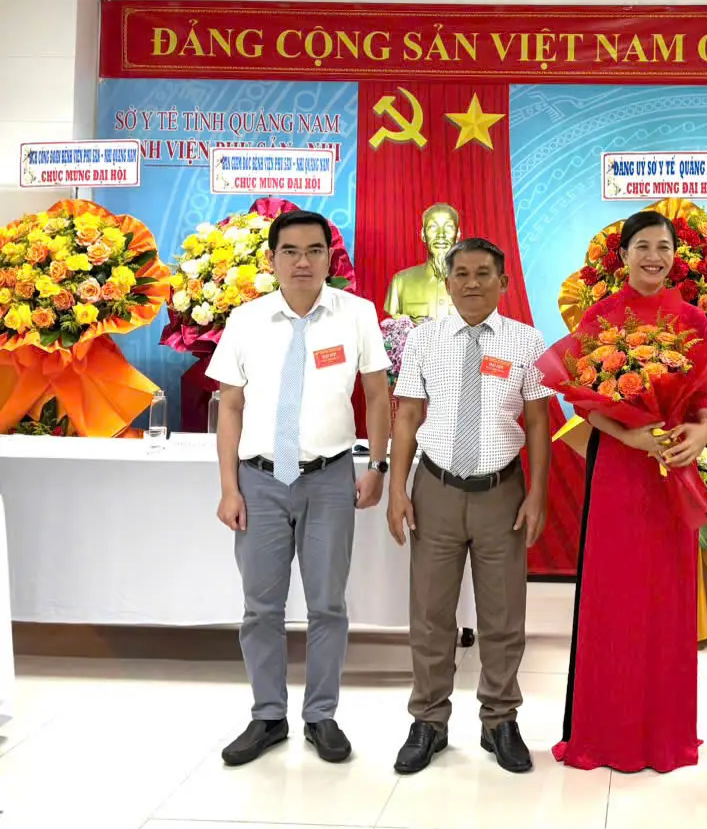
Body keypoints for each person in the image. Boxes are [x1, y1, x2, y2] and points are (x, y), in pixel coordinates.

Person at [210, 209, 392, 766]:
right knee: (260, 608)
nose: (303, 261)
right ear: (272, 259)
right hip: (259, 481)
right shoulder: (245, 319)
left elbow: (378, 395)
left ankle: (321, 716)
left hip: (330, 479)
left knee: (328, 605)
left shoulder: (357, 314)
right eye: (290, 251)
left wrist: (377, 466)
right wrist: (229, 488)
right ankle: (268, 715)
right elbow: (230, 406)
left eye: (314, 250)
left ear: (330, 259)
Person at [551, 210, 707, 773]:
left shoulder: (693, 319)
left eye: (664, 247)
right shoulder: (600, 316)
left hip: (672, 464)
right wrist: (631, 434)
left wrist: (700, 431)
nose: (654, 256)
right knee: (615, 593)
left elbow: (705, 396)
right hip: (620, 470)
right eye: (643, 246)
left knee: (667, 595)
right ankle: (606, 733)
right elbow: (583, 399)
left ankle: (664, 735)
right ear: (624, 255)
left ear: (676, 254)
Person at [386, 237, 553, 775]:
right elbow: (407, 416)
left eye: (484, 273)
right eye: (462, 273)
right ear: (448, 280)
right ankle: (428, 721)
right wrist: (397, 489)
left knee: (503, 616)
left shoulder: (527, 341)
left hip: (502, 493)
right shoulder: (424, 339)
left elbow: (538, 423)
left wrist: (537, 493)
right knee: (430, 615)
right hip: (434, 489)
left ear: (503, 283)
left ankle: (499, 720)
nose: (473, 283)